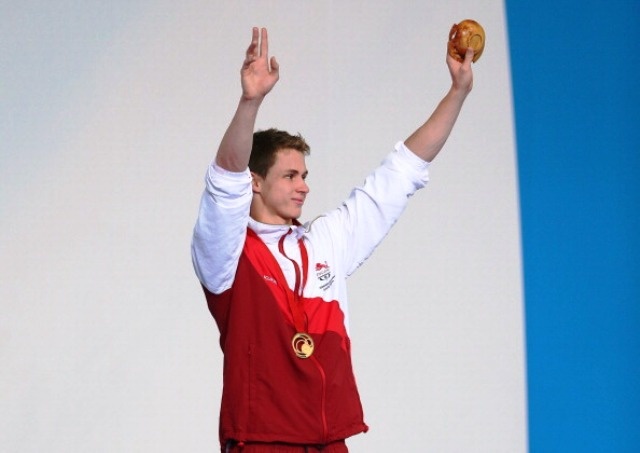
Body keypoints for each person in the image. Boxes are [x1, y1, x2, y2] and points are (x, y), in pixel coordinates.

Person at [191, 27, 474, 453]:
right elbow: (224, 184)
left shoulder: (325, 241)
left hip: (329, 441)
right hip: (264, 441)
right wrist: (250, 103)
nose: (303, 186)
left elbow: (400, 174)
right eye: (289, 175)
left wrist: (457, 92)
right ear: (256, 182)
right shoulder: (227, 254)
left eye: (304, 176)